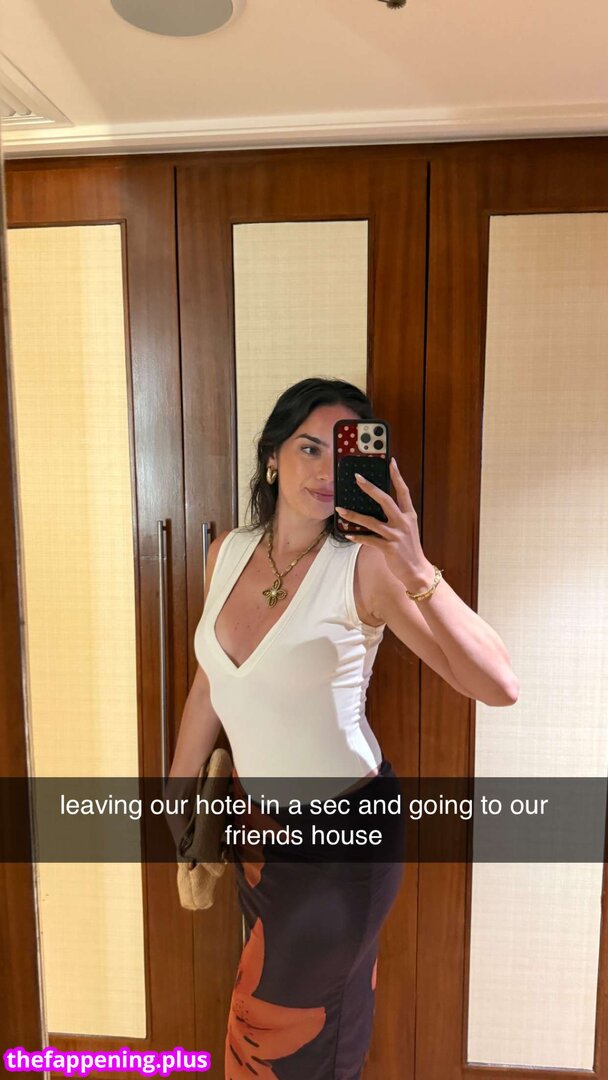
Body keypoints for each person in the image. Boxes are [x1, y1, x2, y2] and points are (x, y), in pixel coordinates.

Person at [168, 377, 519, 1079]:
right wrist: (177, 791)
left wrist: (416, 564)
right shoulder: (227, 552)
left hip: (344, 839)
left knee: (276, 1034)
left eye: (345, 452)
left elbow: (497, 685)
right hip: (259, 835)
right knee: (305, 1028)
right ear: (272, 457)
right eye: (308, 448)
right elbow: (212, 680)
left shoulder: (369, 566)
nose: (326, 470)